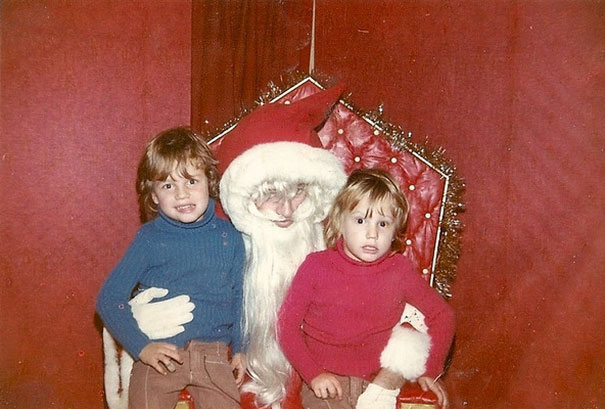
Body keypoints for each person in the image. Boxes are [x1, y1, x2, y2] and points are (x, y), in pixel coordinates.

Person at [277, 169, 456, 409]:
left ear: (396, 230)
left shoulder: (399, 270)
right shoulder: (316, 266)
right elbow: (286, 326)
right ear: (340, 221)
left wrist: (431, 369)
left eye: (383, 224)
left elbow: (443, 315)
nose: (372, 234)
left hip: (379, 384)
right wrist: (314, 374)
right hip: (327, 384)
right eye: (360, 220)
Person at [96, 127, 246, 409]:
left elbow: (241, 298)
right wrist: (141, 347)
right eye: (168, 186)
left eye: (191, 181)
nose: (181, 194)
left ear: (209, 181)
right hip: (160, 356)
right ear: (153, 196)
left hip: (212, 355)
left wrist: (241, 348)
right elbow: (109, 298)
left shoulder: (231, 237)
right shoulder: (149, 239)